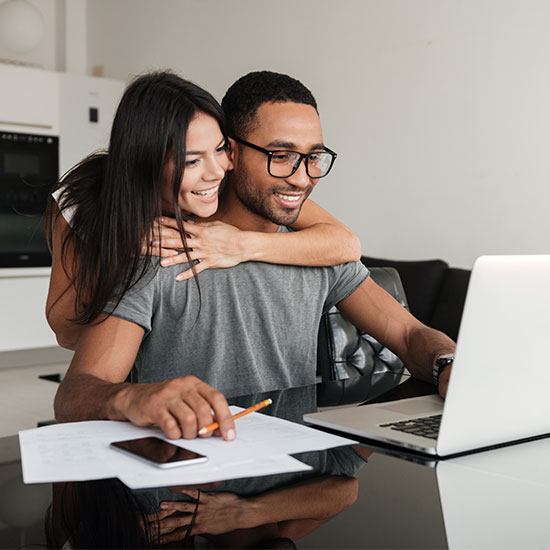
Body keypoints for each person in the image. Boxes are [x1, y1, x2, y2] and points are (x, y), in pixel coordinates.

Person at [53, 71, 456, 443]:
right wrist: (130, 397)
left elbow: (409, 334)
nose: (302, 177)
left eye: (313, 156)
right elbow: (77, 384)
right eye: (279, 155)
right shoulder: (159, 247)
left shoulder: (315, 252)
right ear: (235, 152)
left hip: (293, 481)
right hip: (188, 493)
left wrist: (448, 364)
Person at [46, 72, 361, 351]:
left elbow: (345, 244)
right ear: (149, 163)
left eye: (221, 149)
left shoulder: (225, 180)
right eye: (191, 160)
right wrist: (121, 250)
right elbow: (66, 333)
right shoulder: (82, 203)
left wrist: (239, 244)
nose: (218, 171)